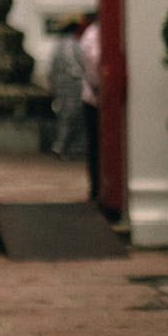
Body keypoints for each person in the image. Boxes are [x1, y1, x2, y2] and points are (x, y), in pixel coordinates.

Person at [48, 18, 86, 159]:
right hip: (75, 85)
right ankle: (62, 147)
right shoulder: (75, 44)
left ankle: (63, 147)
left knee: (65, 117)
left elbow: (51, 68)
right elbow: (83, 65)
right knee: (73, 117)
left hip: (61, 86)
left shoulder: (58, 45)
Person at [80, 12, 101, 201]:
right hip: (95, 97)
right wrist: (100, 88)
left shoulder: (92, 34)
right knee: (95, 145)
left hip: (94, 95)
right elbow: (94, 62)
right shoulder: (93, 35)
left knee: (96, 145)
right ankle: (97, 188)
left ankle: (98, 187)